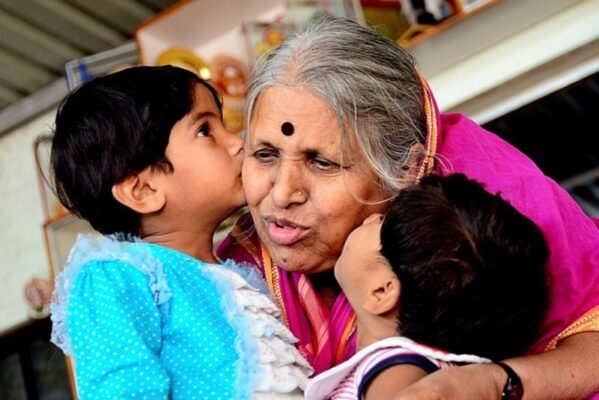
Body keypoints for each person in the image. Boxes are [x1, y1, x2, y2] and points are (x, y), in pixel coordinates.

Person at [217, 17, 599, 399]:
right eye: (265, 154)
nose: (282, 194)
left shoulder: (486, 214)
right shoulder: (236, 264)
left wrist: (491, 383)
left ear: (407, 168)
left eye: (322, 163)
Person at [49, 65, 311, 399]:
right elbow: (122, 391)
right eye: (205, 131)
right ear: (143, 190)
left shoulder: (241, 266)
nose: (237, 143)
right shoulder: (113, 278)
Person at [305, 173, 548, 399]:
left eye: (380, 221)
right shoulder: (434, 367)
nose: (369, 217)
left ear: (382, 291)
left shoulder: (394, 368)